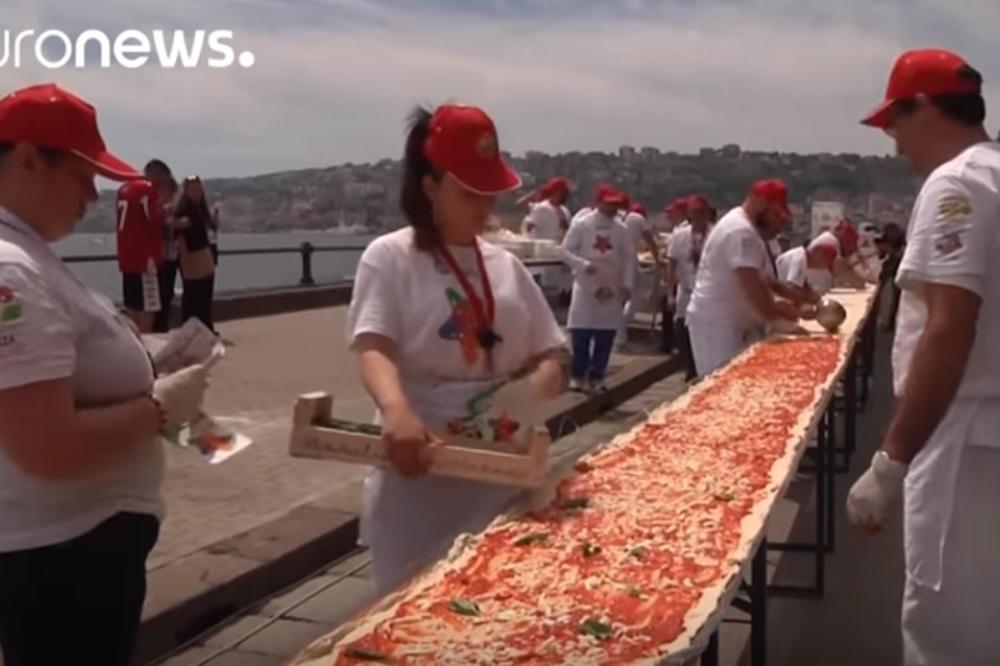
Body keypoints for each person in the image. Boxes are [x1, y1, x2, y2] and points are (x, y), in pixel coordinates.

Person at [0, 83, 211, 666]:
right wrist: (160, 407)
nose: (94, 194)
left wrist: (146, 363)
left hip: (75, 546)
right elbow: (46, 447)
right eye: (80, 174)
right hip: (63, 556)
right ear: (24, 159)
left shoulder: (28, 255)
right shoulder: (10, 268)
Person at [347, 103, 567, 595]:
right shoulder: (390, 257)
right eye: (470, 191)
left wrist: (534, 389)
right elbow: (372, 344)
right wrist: (397, 410)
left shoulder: (504, 266)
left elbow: (553, 352)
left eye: (489, 192)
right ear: (430, 187)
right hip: (423, 473)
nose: (484, 206)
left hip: (504, 473)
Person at [846, 48, 1000, 666]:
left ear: (927, 106)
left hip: (964, 439)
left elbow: (948, 329)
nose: (892, 141)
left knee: (949, 631)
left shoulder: (957, 183)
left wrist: (890, 461)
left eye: (895, 121)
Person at [684, 179, 803, 376]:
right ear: (761, 203)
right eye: (775, 214)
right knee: (721, 387)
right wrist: (777, 320)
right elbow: (750, 283)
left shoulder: (747, 230)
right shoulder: (740, 231)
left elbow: (764, 280)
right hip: (719, 326)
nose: (777, 223)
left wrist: (780, 302)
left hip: (736, 322)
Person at [561, 185, 635, 392]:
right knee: (581, 331)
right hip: (586, 283)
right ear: (598, 202)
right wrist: (583, 265)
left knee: (606, 333)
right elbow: (564, 251)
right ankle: (578, 374)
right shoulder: (582, 225)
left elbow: (630, 257)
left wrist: (627, 284)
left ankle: (597, 375)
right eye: (609, 203)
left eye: (615, 204)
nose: (613, 208)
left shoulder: (621, 228)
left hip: (611, 283)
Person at [665, 194, 713, 381]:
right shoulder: (679, 236)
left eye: (702, 213)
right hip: (685, 289)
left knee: (704, 330)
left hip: (706, 291)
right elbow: (671, 264)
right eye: (694, 213)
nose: (698, 216)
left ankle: (702, 367)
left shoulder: (715, 234)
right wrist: (670, 292)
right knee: (682, 329)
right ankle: (690, 368)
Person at [116, 172, 165, 333]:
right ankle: (145, 348)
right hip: (144, 259)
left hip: (126, 257)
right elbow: (154, 218)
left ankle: (135, 344)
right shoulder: (146, 190)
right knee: (147, 306)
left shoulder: (124, 190)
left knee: (131, 305)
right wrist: (165, 208)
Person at [174, 176, 218, 333]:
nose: (196, 193)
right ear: (186, 192)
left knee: (205, 294)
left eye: (199, 189)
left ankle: (206, 327)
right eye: (193, 190)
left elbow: (211, 231)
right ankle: (191, 329)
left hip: (205, 254)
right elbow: (178, 237)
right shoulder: (183, 211)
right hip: (192, 256)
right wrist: (185, 260)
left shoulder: (202, 210)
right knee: (193, 295)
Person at [619, 201, 661, 349]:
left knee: (619, 299)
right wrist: (658, 259)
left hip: (615, 261)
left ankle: (619, 334)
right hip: (629, 261)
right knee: (641, 292)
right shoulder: (637, 219)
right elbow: (650, 241)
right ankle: (621, 329)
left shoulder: (618, 218)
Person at [148, 160, 180, 333]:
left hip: (167, 254)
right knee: (154, 297)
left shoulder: (176, 197)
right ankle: (156, 329)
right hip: (152, 256)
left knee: (164, 294)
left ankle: (160, 328)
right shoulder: (149, 195)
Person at [520, 176, 571, 241]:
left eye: (566, 192)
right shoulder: (542, 208)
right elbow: (529, 230)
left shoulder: (566, 211)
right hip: (544, 249)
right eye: (564, 192)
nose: (566, 195)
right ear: (555, 192)